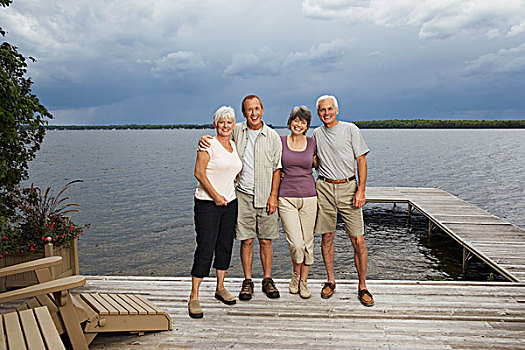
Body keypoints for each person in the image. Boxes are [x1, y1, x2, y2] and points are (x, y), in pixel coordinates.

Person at [199, 95, 282, 300]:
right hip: (242, 195)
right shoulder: (237, 130)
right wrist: (203, 139)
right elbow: (220, 136)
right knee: (246, 240)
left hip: (265, 195)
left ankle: (267, 279)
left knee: (265, 240)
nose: (253, 113)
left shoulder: (272, 136)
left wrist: (273, 195)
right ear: (244, 113)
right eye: (249, 110)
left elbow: (277, 169)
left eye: (256, 108)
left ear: (262, 109)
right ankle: (247, 280)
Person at [313, 95, 374, 307]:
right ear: (318, 112)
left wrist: (361, 190)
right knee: (327, 237)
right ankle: (330, 280)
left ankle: (363, 286)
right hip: (324, 187)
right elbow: (311, 160)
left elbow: (361, 160)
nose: (326, 113)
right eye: (322, 110)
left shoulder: (351, 129)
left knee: (358, 240)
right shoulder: (316, 134)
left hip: (349, 187)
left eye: (329, 109)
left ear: (336, 110)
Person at [189, 106, 243, 318]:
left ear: (233, 125)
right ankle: (194, 297)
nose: (225, 125)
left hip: (230, 203)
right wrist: (215, 196)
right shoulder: (207, 144)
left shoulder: (234, 145)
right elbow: (199, 173)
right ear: (215, 124)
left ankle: (220, 287)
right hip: (207, 204)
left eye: (229, 122)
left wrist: (226, 197)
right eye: (222, 122)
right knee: (205, 247)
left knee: (224, 246)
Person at [278, 106, 317, 299]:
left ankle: (303, 281)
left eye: (303, 122)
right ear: (290, 122)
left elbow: (321, 164)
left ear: (307, 125)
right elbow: (272, 165)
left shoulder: (312, 143)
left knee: (308, 243)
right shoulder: (280, 141)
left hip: (310, 196)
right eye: (296, 120)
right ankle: (295, 275)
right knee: (296, 243)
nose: (299, 124)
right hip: (286, 197)